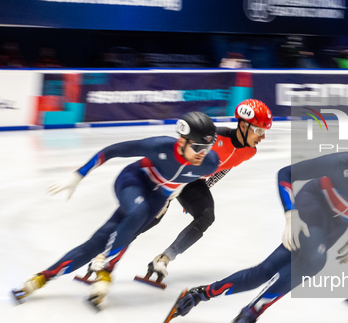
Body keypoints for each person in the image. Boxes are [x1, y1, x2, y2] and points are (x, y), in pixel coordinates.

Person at [161, 124, 348, 323]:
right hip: (313, 204)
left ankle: (201, 294)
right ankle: (250, 313)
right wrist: (291, 214)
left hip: (338, 225)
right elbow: (285, 173)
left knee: (266, 270)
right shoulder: (342, 163)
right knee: (315, 260)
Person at [11, 112, 219, 309]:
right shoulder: (159, 146)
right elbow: (111, 151)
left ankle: (42, 278)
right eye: (198, 146)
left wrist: (175, 192)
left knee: (102, 240)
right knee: (138, 213)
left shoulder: (209, 164)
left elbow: (189, 176)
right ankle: (106, 269)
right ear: (182, 141)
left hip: (158, 197)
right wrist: (78, 175)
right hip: (134, 181)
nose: (202, 153)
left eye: (207, 147)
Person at [136, 99, 273, 287]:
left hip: (195, 182)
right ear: (243, 125)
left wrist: (204, 190)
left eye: (264, 132)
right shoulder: (215, 136)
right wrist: (168, 188)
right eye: (259, 130)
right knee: (155, 216)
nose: (262, 136)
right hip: (175, 174)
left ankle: (164, 259)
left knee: (206, 216)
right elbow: (179, 151)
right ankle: (110, 248)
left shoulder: (250, 151)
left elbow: (225, 168)